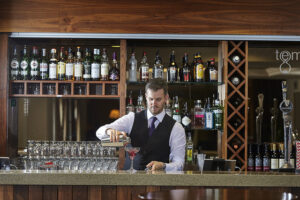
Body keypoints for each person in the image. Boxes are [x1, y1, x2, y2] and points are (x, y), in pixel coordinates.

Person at [96, 78, 186, 171]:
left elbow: (179, 163)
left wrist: (163, 165)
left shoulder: (176, 128)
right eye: (151, 99)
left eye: (158, 99)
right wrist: (109, 131)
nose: (153, 104)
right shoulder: (131, 118)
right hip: (128, 181)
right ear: (146, 97)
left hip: (158, 182)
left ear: (166, 98)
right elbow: (99, 132)